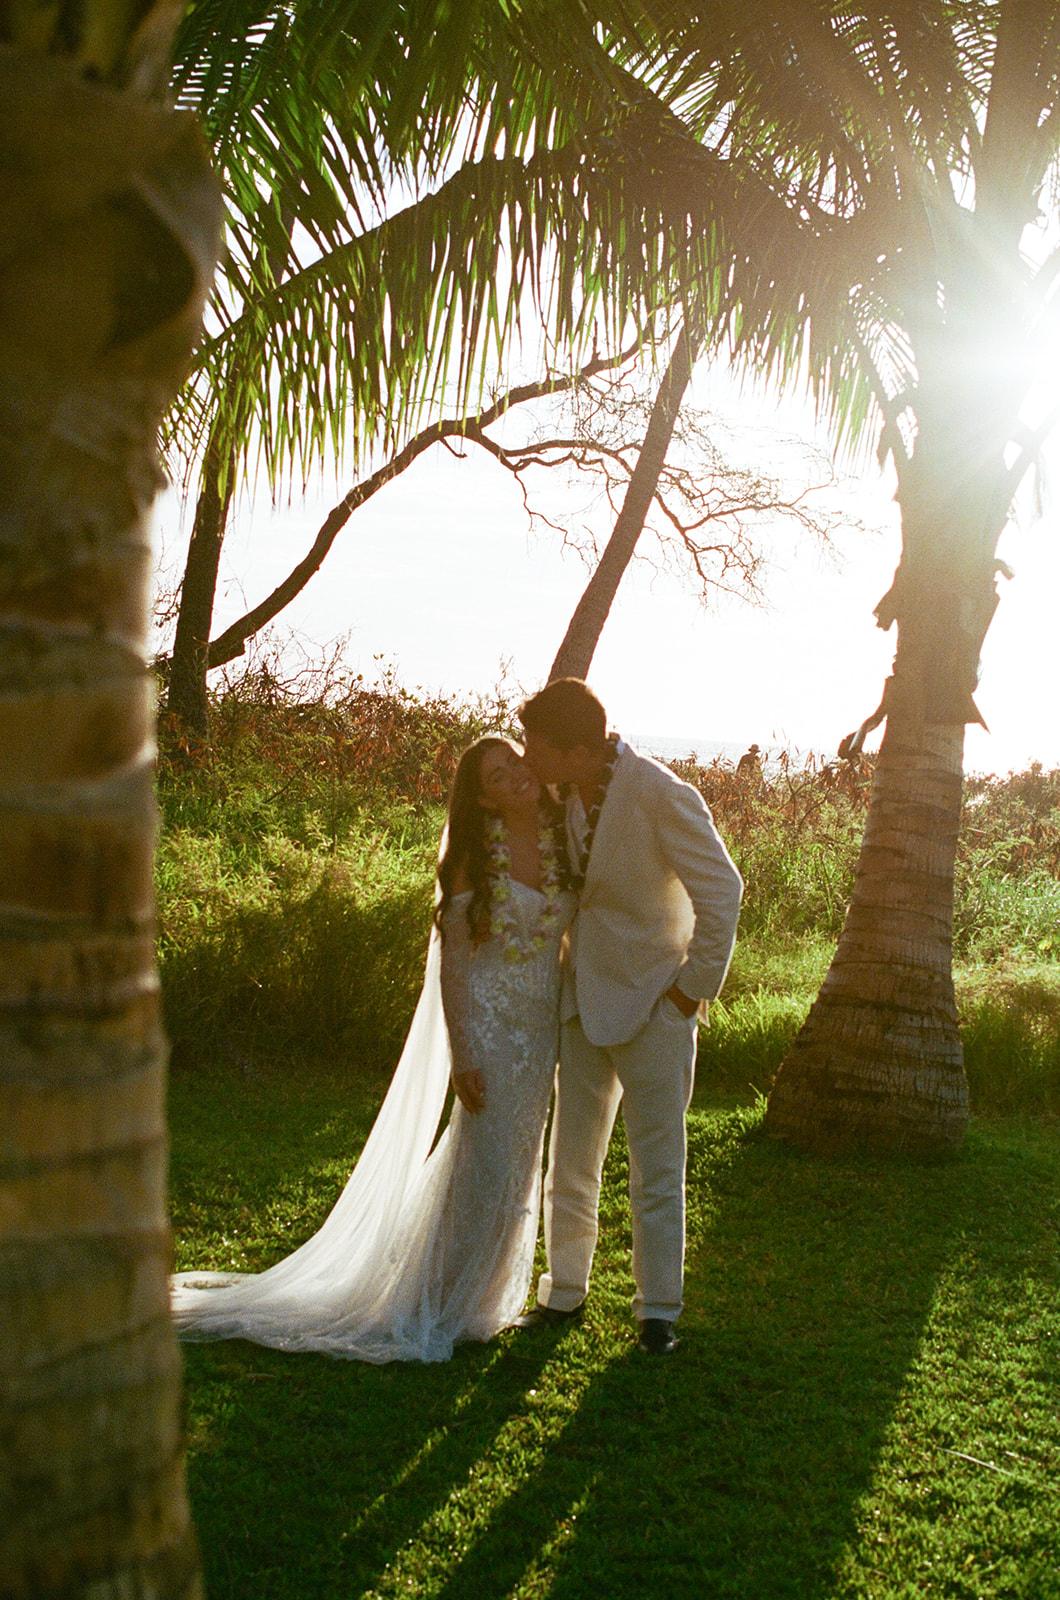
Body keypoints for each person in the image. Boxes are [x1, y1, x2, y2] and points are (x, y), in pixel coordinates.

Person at [171, 737, 576, 1364]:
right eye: (501, 775)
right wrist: (464, 1051)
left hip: (542, 1028)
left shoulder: (564, 835)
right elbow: (455, 967)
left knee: (520, 1162)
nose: (519, 776)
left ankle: (484, 1300)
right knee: (483, 1162)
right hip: (493, 1031)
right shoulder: (473, 858)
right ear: (483, 798)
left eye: (518, 762)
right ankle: (437, 1298)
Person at [516, 679, 742, 1355]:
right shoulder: (556, 792)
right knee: (571, 1158)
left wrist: (687, 994)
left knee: (657, 1164)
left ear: (579, 750)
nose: (528, 756)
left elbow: (723, 891)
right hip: (580, 999)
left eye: (537, 746)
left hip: (653, 1005)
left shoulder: (659, 792)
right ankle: (563, 1293)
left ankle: (657, 1312)